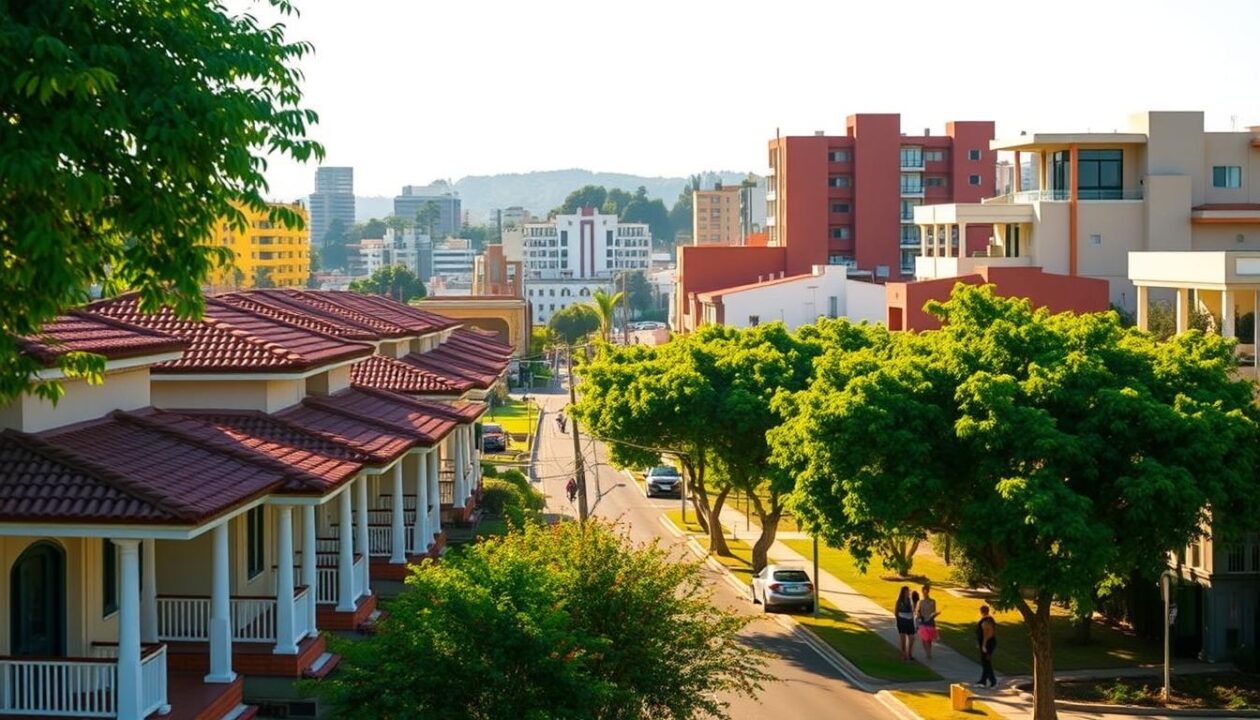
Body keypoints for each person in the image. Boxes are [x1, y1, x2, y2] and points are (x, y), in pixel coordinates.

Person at [916, 584, 940, 660]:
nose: (924, 593)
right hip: (923, 622)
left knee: (929, 639)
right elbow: (918, 612)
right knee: (924, 639)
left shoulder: (933, 601)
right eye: (923, 592)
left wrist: (935, 614)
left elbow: (933, 612)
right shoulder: (920, 602)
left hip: (930, 622)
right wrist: (919, 616)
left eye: (926, 592)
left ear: (928, 592)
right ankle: (928, 653)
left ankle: (929, 653)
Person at [976, 605, 998, 688]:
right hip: (990, 643)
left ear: (981, 611)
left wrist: (984, 645)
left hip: (988, 644)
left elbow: (987, 633)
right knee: (985, 662)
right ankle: (983, 680)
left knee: (986, 662)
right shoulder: (990, 619)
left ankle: (992, 680)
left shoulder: (985, 621)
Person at [895, 586, 916, 661]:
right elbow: (896, 612)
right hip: (902, 620)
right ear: (903, 592)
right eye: (906, 591)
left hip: (910, 620)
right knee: (903, 639)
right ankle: (903, 654)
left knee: (912, 638)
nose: (908, 593)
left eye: (908, 591)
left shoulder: (910, 600)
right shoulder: (899, 601)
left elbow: (913, 611)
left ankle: (909, 653)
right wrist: (898, 622)